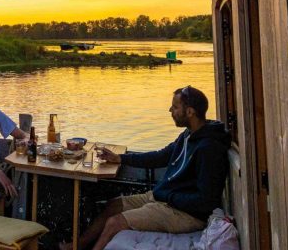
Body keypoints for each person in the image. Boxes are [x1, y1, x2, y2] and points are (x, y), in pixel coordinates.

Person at [62, 85, 230, 250]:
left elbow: (205, 201)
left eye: (175, 107)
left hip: (185, 214)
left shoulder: (209, 148)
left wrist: (167, 195)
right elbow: (160, 156)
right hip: (163, 198)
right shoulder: (189, 135)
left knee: (115, 222)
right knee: (113, 206)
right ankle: (78, 246)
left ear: (190, 112)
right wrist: (120, 158)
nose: (170, 110)